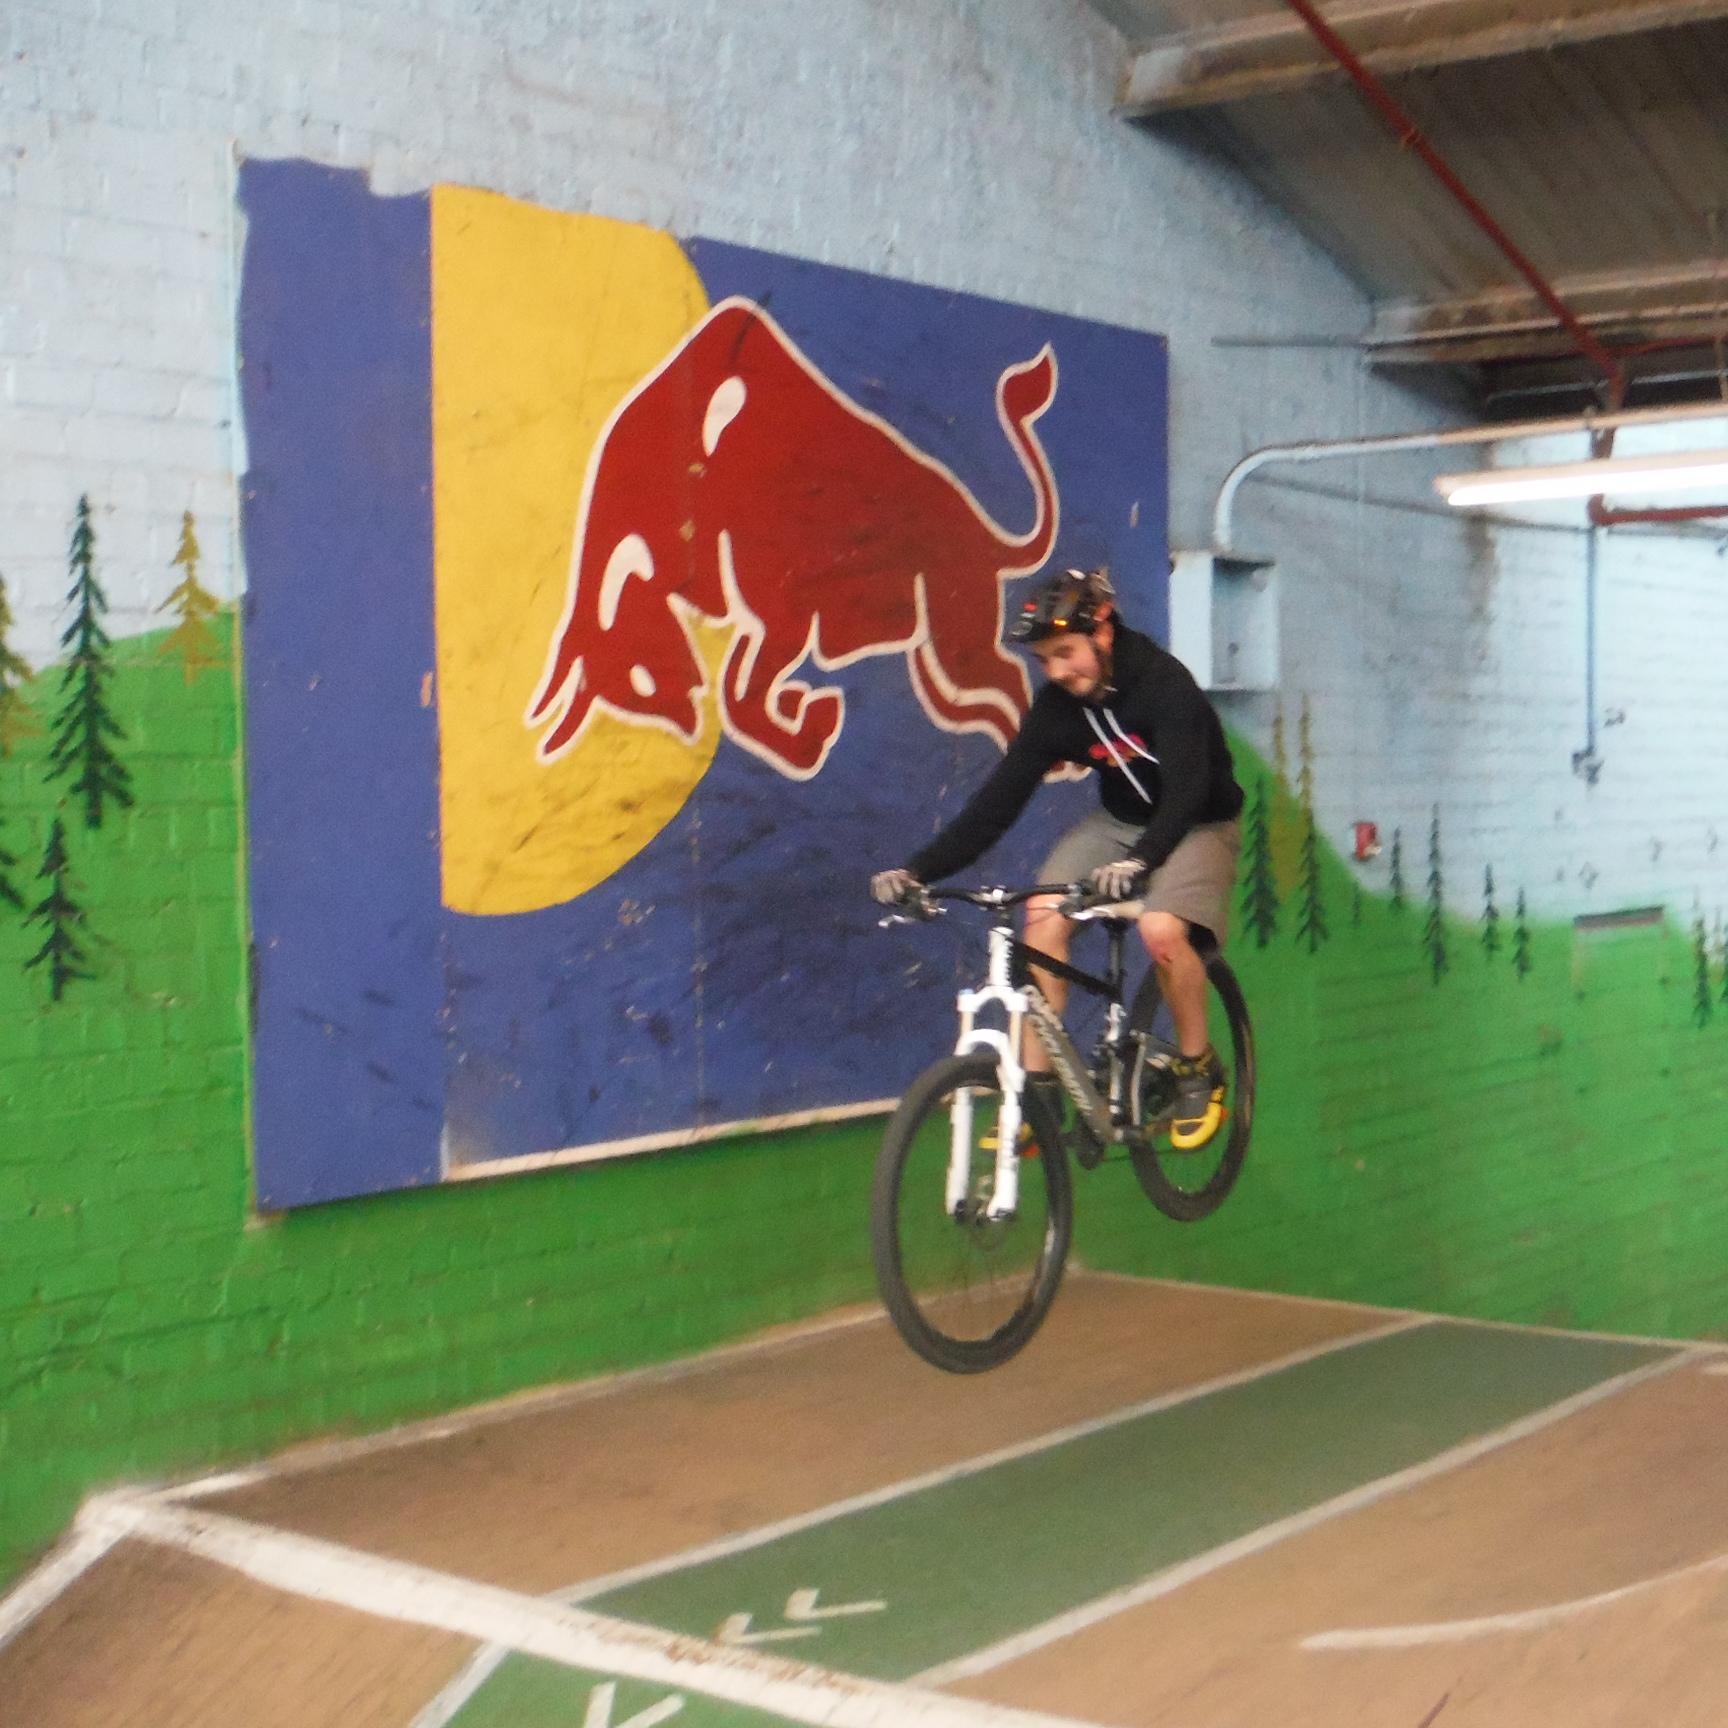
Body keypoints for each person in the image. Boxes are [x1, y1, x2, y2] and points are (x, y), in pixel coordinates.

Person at [870, 566, 1244, 1149]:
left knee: (1162, 930)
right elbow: (998, 802)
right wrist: (918, 870)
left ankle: (1198, 1066)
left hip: (1198, 821)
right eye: (1045, 660)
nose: (1058, 672)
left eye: (1066, 653)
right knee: (1042, 914)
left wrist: (1143, 861)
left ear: (1104, 631)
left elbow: (1189, 788)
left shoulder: (1164, 685)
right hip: (1120, 824)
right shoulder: (1057, 711)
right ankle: (1038, 1095)